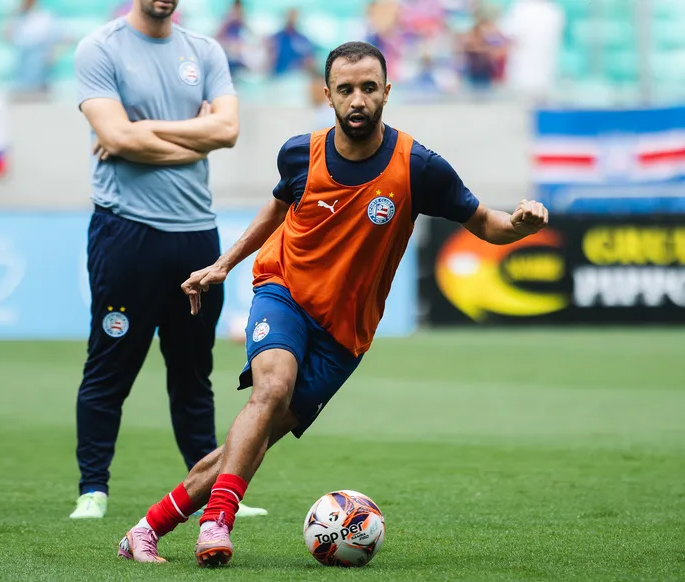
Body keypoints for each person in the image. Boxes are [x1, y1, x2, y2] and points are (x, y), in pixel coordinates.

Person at [115, 40, 549, 566]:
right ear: (328, 95)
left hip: (344, 336)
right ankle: (215, 524)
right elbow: (274, 212)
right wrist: (223, 265)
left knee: (251, 441)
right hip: (284, 292)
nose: (358, 100)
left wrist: (519, 226)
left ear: (387, 92)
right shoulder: (301, 153)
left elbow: (486, 223)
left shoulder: (419, 167)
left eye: (369, 88)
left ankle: (146, 529)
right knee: (271, 388)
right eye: (346, 90)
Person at [71, 0, 266, 520]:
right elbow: (114, 136)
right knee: (111, 364)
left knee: (192, 371)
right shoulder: (100, 48)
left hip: (196, 237)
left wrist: (145, 132)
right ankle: (93, 489)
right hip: (125, 232)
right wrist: (192, 138)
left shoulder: (205, 51)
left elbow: (226, 132)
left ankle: (207, 489)